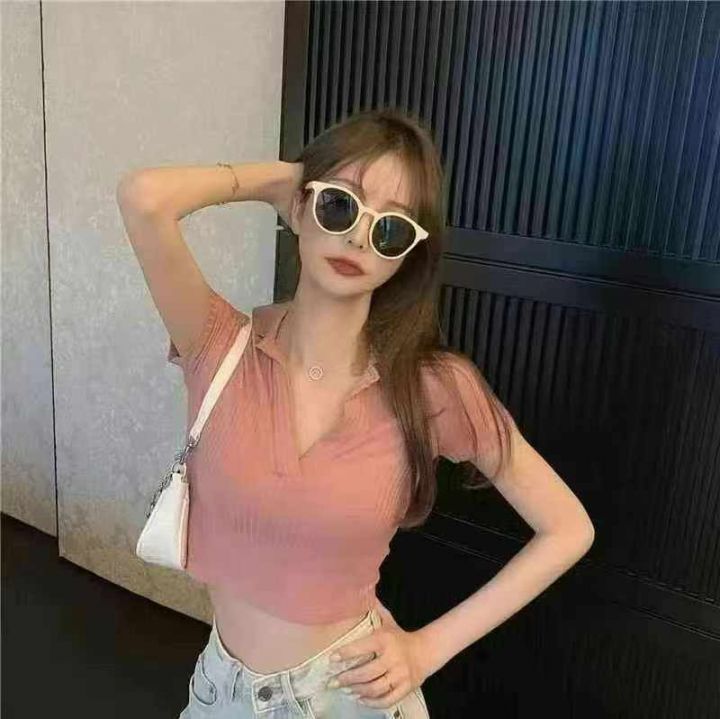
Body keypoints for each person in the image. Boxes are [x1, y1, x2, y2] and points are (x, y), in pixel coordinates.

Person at [117, 108, 595, 719]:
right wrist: (280, 180)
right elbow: (144, 198)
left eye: (390, 229)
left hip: (348, 697)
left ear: (406, 256)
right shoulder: (218, 345)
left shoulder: (434, 387)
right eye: (339, 206)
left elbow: (568, 528)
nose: (358, 238)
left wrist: (427, 649)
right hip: (220, 694)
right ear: (299, 208)